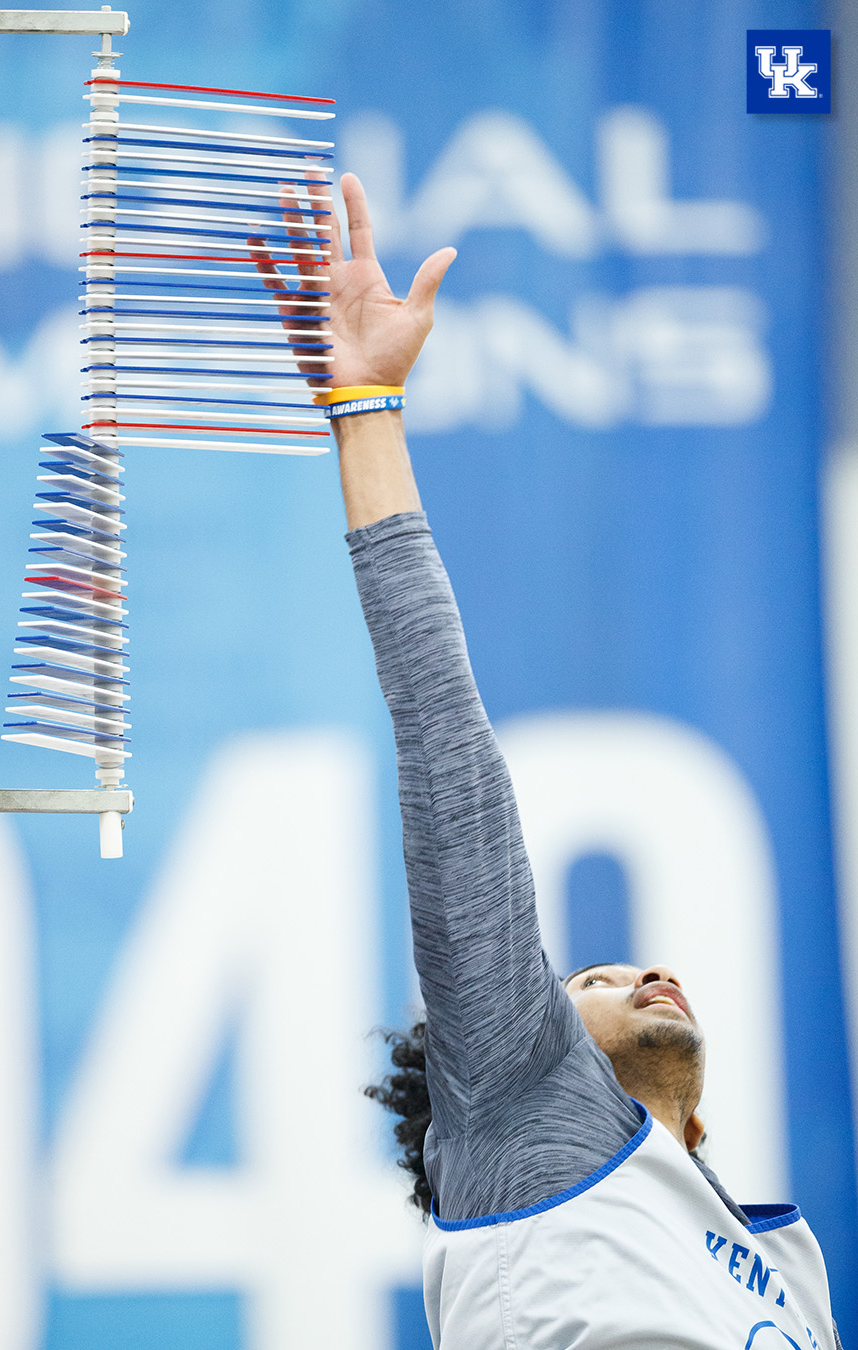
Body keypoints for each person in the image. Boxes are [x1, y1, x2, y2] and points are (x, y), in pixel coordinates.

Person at [254, 174, 841, 1349]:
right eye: (590, 981)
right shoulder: (524, 1094)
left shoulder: (784, 1266)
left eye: (608, 971)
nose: (638, 972)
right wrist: (365, 402)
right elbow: (448, 753)